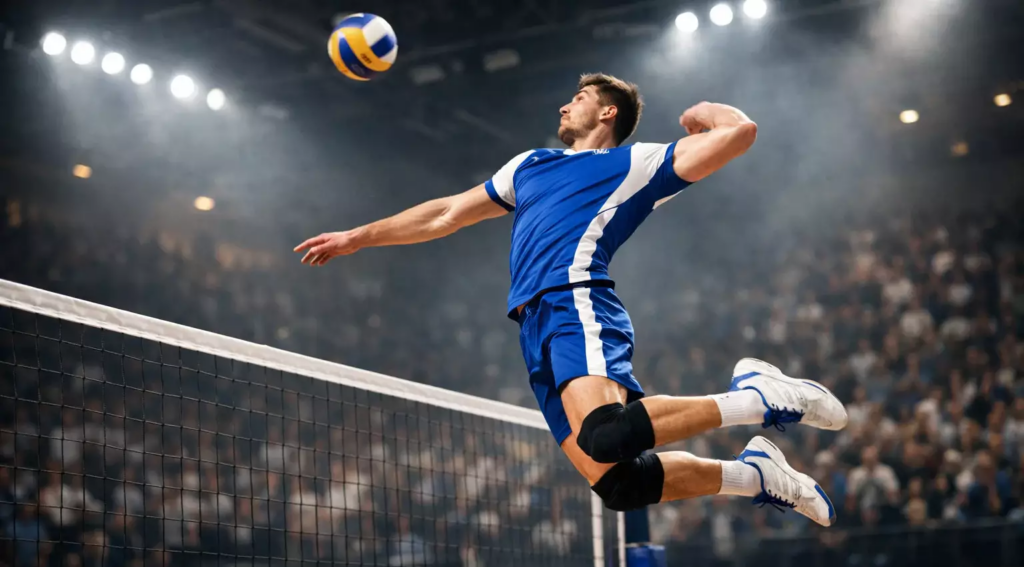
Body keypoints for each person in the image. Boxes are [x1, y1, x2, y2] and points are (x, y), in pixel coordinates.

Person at [295, 73, 847, 525]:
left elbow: (741, 132)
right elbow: (445, 213)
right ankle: (756, 475)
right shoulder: (528, 166)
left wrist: (706, 108)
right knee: (620, 483)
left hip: (576, 297)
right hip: (533, 323)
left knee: (606, 434)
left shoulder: (637, 165)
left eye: (579, 97)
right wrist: (358, 237)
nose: (564, 104)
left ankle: (758, 397)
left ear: (609, 114)